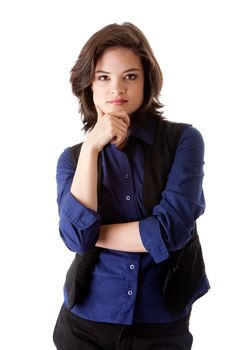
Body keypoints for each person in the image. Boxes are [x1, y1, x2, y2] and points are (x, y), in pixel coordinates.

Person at [53, 22, 210, 350]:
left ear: (147, 81)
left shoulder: (183, 141)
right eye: (103, 77)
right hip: (85, 322)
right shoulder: (73, 159)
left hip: (161, 321)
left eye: (130, 76)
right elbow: (75, 237)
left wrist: (97, 233)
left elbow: (168, 232)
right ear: (89, 85)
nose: (117, 89)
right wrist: (93, 148)